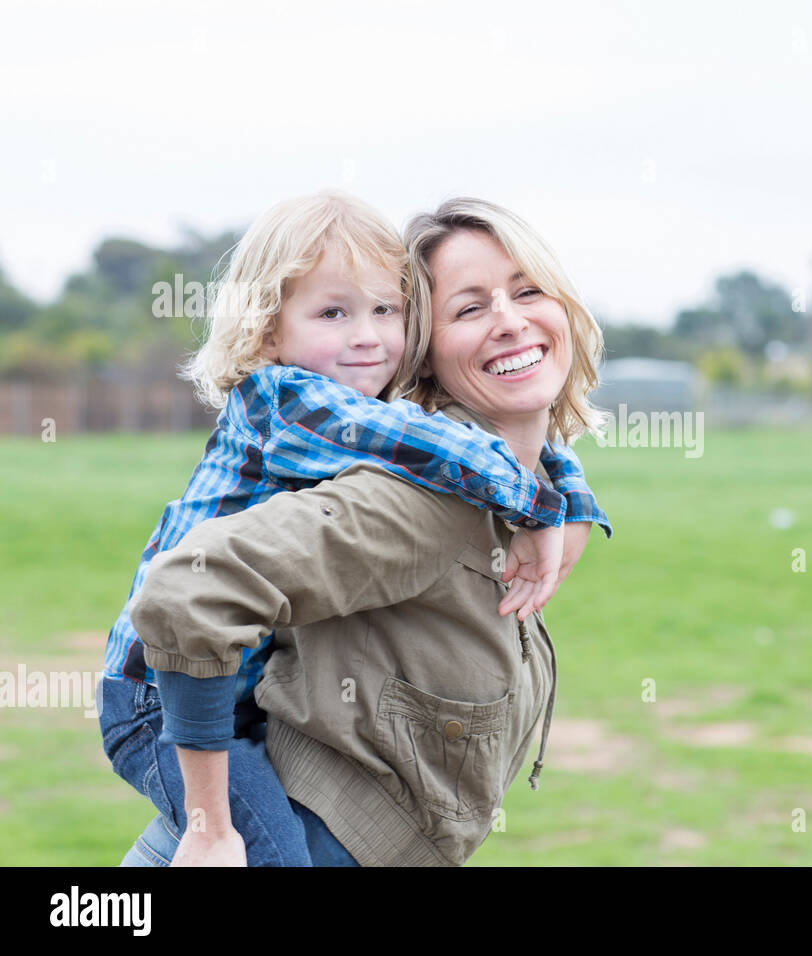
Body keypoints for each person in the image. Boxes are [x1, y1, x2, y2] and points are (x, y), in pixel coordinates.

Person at [100, 192, 609, 866]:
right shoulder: (350, 440)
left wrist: (566, 498)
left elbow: (468, 445)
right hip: (152, 698)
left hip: (227, 700)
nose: (365, 336)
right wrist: (210, 826)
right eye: (470, 307)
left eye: (528, 290)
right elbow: (183, 596)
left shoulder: (447, 463)